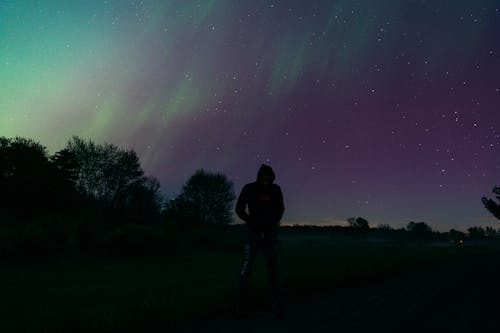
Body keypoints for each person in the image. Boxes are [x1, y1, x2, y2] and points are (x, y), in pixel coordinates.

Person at [235, 164, 285, 318]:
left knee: (273, 270)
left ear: (272, 177)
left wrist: (272, 222)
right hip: (253, 234)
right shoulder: (249, 188)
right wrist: (250, 221)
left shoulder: (275, 190)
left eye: (268, 177)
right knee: (246, 268)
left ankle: (276, 304)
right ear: (259, 176)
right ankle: (240, 306)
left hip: (269, 234)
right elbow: (239, 208)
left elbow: (280, 208)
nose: (266, 179)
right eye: (263, 176)